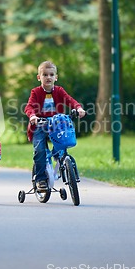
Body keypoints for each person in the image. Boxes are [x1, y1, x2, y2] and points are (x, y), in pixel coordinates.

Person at [24, 61, 86, 191]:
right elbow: (29, 106)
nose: (48, 77)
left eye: (51, 74)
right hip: (40, 125)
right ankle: (40, 179)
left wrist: (78, 108)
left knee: (62, 146)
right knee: (40, 150)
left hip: (57, 124)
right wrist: (33, 116)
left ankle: (64, 165)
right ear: (39, 77)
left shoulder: (59, 91)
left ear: (56, 77)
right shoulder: (36, 92)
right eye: (45, 74)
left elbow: (69, 100)